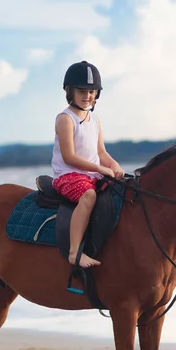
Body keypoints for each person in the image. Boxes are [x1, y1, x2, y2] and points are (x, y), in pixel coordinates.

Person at [51, 61, 125, 268]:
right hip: (69, 176)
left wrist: (114, 165)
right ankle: (75, 252)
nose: (87, 96)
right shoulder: (65, 119)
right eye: (81, 91)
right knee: (89, 196)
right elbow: (69, 157)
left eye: (92, 91)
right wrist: (101, 169)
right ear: (69, 91)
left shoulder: (95, 119)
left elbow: (101, 152)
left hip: (92, 175)